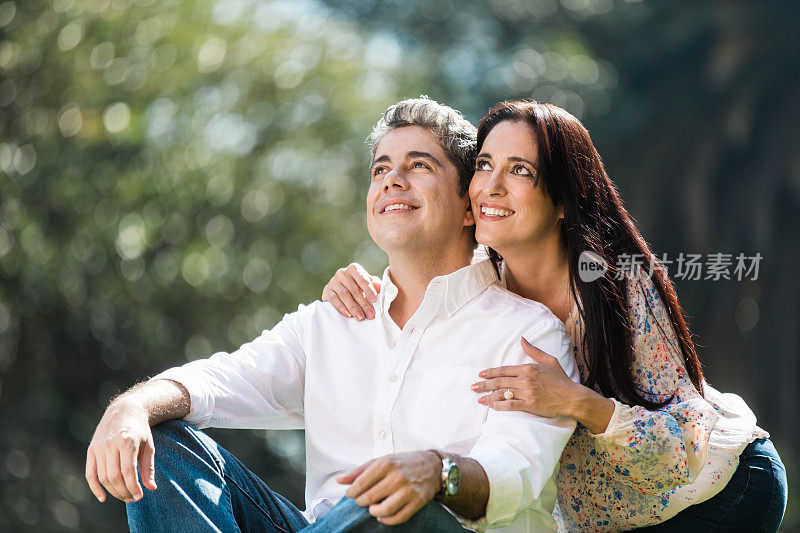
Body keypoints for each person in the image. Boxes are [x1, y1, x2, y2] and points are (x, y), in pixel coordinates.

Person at [85, 97, 581, 533]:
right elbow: (222, 379)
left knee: (390, 502)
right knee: (167, 439)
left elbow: (515, 470)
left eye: (419, 165)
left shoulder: (528, 332)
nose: (392, 180)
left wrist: (436, 471)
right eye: (380, 169)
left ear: (468, 205)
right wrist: (130, 407)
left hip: (430, 526)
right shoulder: (330, 321)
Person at [322, 100, 788, 532]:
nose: (491, 186)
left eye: (519, 170)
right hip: (610, 518)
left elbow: (683, 448)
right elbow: (413, 290)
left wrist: (578, 401)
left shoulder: (616, 290)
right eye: (484, 165)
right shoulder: (478, 283)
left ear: (564, 199)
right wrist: (359, 287)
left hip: (717, 491)